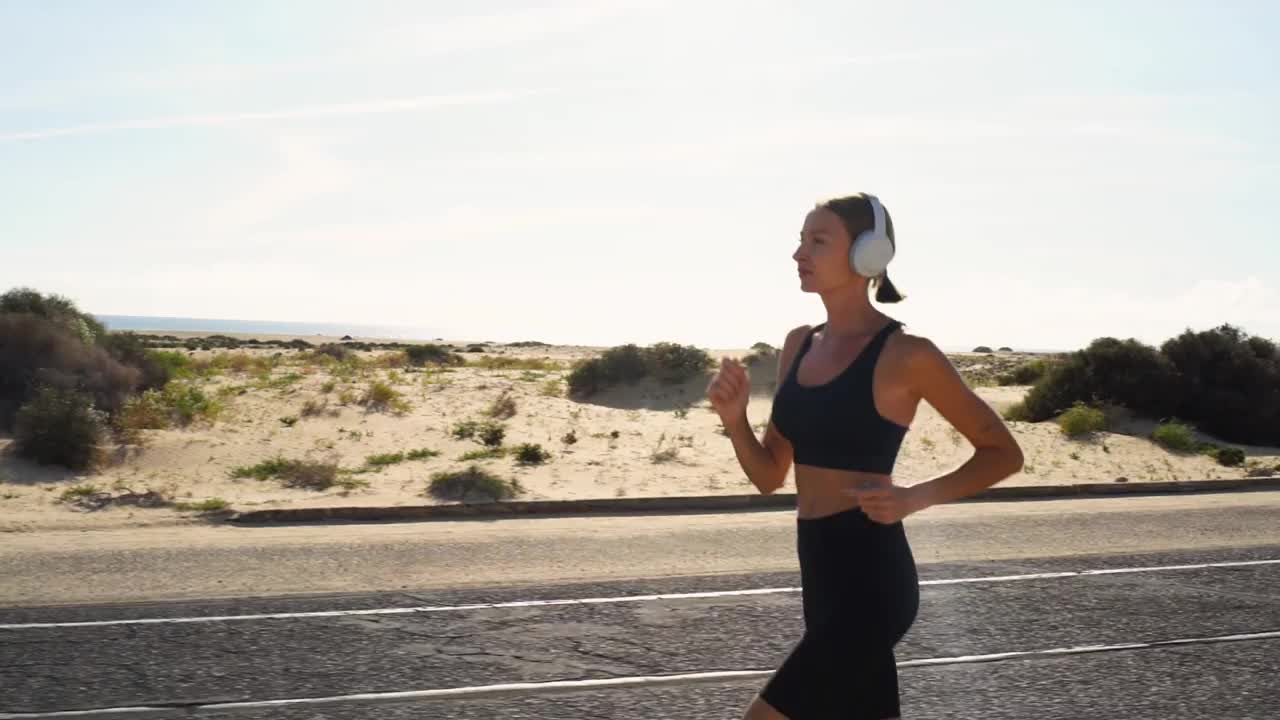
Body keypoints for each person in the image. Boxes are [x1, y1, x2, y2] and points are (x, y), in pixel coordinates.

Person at [707, 192, 1025, 719]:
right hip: (819, 567)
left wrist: (913, 497)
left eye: (818, 240)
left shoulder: (907, 355)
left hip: (872, 580)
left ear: (867, 255)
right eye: (800, 239)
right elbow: (769, 475)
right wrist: (735, 418)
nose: (798, 253)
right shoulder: (799, 344)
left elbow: (1003, 454)